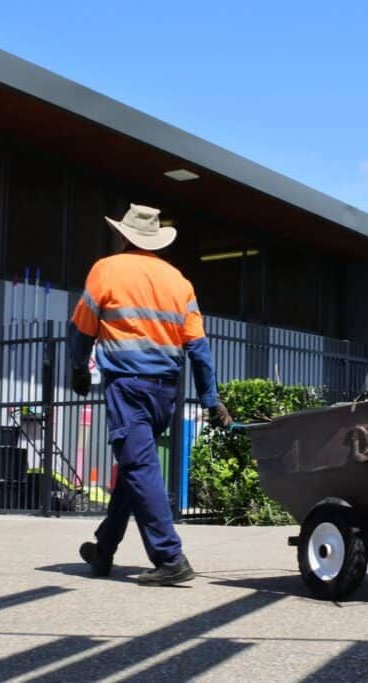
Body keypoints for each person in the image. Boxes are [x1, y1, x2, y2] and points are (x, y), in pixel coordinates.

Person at [67, 203, 232, 586]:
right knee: (133, 467)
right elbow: (199, 349)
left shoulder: (106, 269)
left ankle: (169, 556)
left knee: (140, 468)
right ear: (155, 241)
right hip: (165, 393)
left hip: (127, 387)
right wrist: (210, 398)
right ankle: (103, 550)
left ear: (124, 235)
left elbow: (81, 329)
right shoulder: (180, 282)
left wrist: (78, 368)